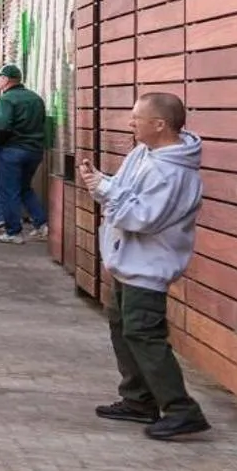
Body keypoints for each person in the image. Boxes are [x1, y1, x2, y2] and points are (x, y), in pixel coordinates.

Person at [79, 92, 208, 440]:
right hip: (129, 261)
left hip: (148, 266)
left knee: (144, 333)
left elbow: (140, 217)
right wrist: (101, 184)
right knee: (123, 326)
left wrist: (106, 191)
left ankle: (181, 409)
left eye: (137, 117)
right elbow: (122, 193)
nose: (130, 123)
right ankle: (139, 400)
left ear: (159, 124)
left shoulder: (173, 173)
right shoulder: (144, 153)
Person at [0, 64, 50, 243]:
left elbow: (0, 126)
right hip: (35, 150)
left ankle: (13, 232)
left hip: (11, 150)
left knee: (8, 191)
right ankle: (41, 224)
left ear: (6, 80)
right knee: (24, 188)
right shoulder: (36, 98)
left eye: (0, 77)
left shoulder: (7, 100)